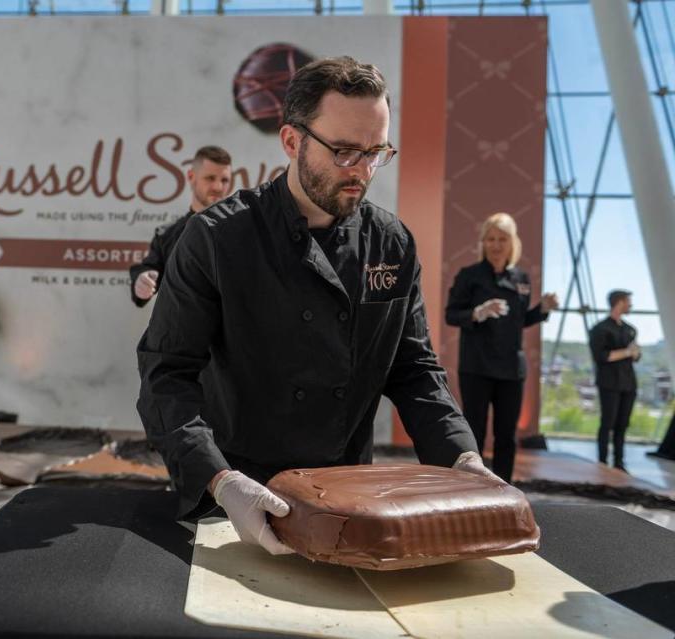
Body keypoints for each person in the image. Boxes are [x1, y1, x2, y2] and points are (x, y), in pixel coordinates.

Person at [137, 57, 492, 556]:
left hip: (349, 497)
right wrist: (217, 480)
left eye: (376, 152)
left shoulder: (391, 244)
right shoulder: (218, 239)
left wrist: (462, 458)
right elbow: (165, 375)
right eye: (345, 151)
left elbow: (413, 369)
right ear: (291, 141)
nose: (363, 171)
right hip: (239, 494)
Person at [444, 213, 558, 483]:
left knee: (506, 434)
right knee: (475, 430)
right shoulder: (469, 276)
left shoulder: (521, 278)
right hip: (477, 366)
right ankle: (470, 485)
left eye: (502, 239)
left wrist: (541, 309)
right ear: (483, 242)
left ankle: (504, 487)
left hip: (511, 368)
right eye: (491, 239)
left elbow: (520, 321)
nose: (496, 245)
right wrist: (477, 313)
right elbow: (452, 314)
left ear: (512, 243)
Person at [129, 146, 233, 307]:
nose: (218, 187)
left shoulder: (242, 230)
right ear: (191, 176)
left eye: (224, 180)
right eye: (210, 178)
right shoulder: (167, 234)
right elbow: (149, 270)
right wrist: (142, 280)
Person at [589, 289, 640, 472]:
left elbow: (635, 356)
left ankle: (619, 462)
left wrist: (633, 353)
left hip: (628, 382)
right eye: (628, 301)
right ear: (619, 302)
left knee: (622, 424)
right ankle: (602, 461)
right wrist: (627, 352)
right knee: (608, 422)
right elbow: (601, 356)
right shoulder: (600, 329)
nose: (631, 305)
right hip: (609, 382)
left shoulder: (630, 329)